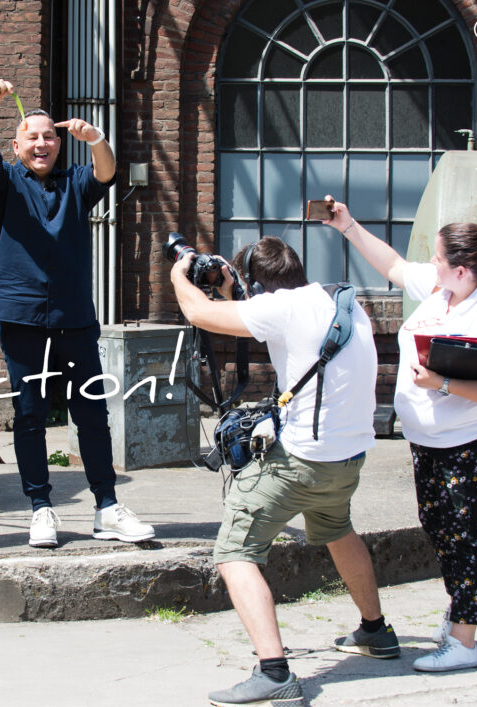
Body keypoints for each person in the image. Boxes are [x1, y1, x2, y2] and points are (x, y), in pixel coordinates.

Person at [171, 237, 399, 707]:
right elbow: (266, 321)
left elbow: (199, 315)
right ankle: (376, 632)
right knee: (337, 529)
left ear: (258, 284)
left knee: (234, 552)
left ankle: (274, 672)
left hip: (301, 463)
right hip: (348, 461)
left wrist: (181, 273)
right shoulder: (340, 301)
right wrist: (235, 289)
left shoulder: (283, 310)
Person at [321, 197, 477, 672]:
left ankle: (464, 641)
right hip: (428, 440)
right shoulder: (441, 287)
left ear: (464, 269)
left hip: (468, 442)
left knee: (463, 535)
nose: (430, 264)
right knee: (437, 525)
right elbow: (391, 265)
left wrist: (443, 384)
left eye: (438, 257)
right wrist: (347, 225)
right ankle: (465, 604)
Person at [0, 79, 153, 548]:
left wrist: (96, 140)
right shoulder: (6, 181)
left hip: (73, 316)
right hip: (20, 315)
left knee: (91, 413)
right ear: (17, 145)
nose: (41, 143)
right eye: (32, 137)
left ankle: (107, 508)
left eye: (49, 136)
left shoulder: (75, 182)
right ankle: (40, 508)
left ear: (58, 142)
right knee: (29, 415)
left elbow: (106, 174)